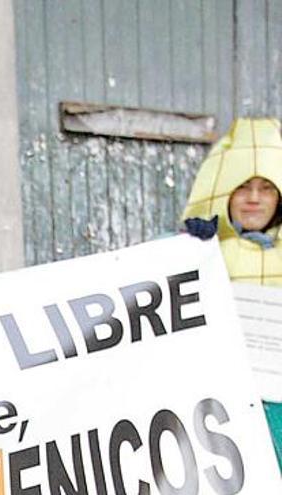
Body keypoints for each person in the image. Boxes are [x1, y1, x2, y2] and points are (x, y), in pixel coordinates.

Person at [182, 116, 282, 470]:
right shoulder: (197, 250)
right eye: (242, 187)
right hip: (218, 408)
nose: (254, 199)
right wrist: (187, 249)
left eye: (266, 187)